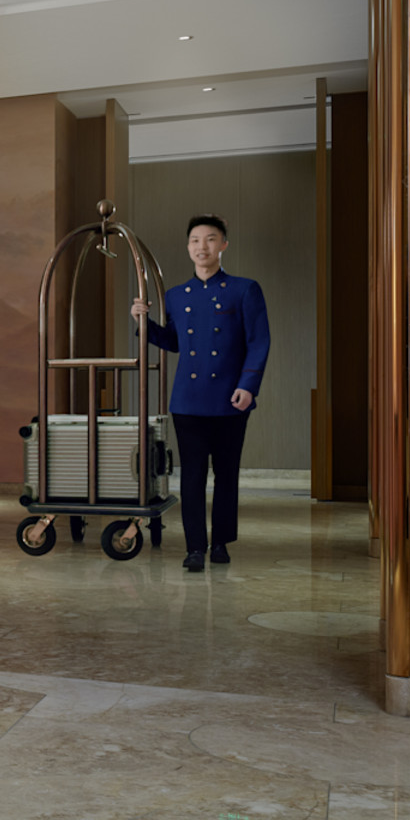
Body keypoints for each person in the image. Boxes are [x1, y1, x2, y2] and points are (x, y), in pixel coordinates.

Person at [130, 214, 269, 572]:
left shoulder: (245, 289)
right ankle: (195, 547)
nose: (201, 247)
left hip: (230, 398)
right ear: (188, 247)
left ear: (223, 245)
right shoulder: (176, 295)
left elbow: (258, 343)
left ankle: (220, 542)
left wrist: (248, 386)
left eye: (210, 239)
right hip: (189, 400)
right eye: (195, 240)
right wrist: (144, 324)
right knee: (191, 476)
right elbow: (175, 342)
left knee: (226, 473)